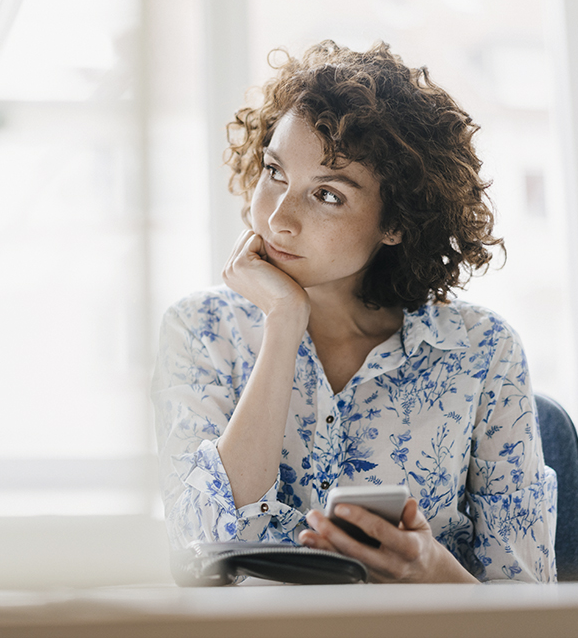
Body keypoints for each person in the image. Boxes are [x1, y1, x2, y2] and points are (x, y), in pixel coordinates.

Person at [152, 40, 556, 583]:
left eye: (328, 195)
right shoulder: (199, 332)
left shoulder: (483, 353)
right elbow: (203, 554)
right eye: (275, 172)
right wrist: (282, 323)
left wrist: (432, 570)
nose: (278, 218)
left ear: (395, 222)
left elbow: (530, 609)